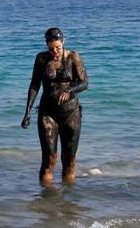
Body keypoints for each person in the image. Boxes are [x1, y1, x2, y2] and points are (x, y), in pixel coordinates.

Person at [21, 27, 88, 184]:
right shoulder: (41, 59)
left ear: (63, 42)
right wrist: (27, 112)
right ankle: (46, 202)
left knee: (69, 158)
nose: (55, 52)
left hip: (71, 113)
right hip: (47, 113)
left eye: (58, 47)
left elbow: (85, 83)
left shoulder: (73, 57)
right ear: (47, 45)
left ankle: (68, 201)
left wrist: (70, 90)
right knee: (49, 158)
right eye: (51, 48)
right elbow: (34, 85)